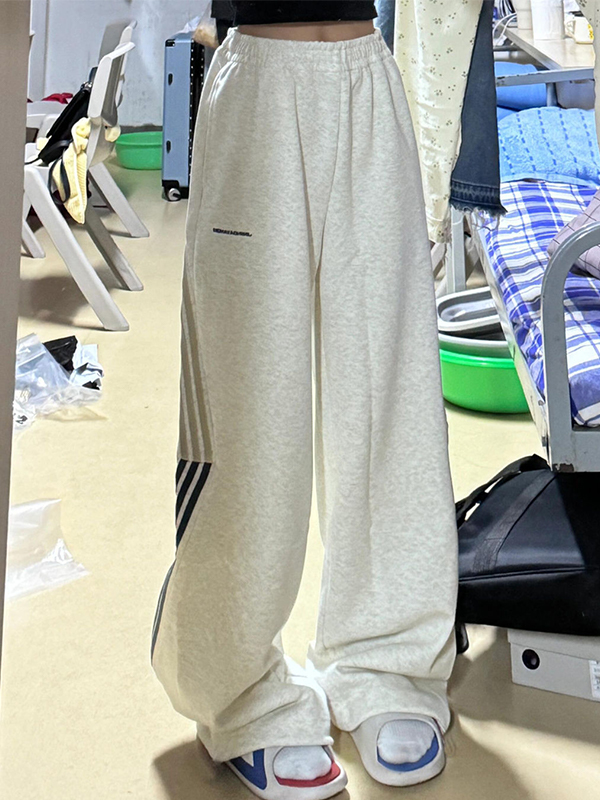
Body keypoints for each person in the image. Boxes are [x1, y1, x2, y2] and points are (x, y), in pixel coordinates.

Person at [152, 3, 459, 798]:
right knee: (248, 410)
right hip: (258, 78)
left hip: (367, 74)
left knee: (389, 393)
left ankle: (387, 660)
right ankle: (240, 692)